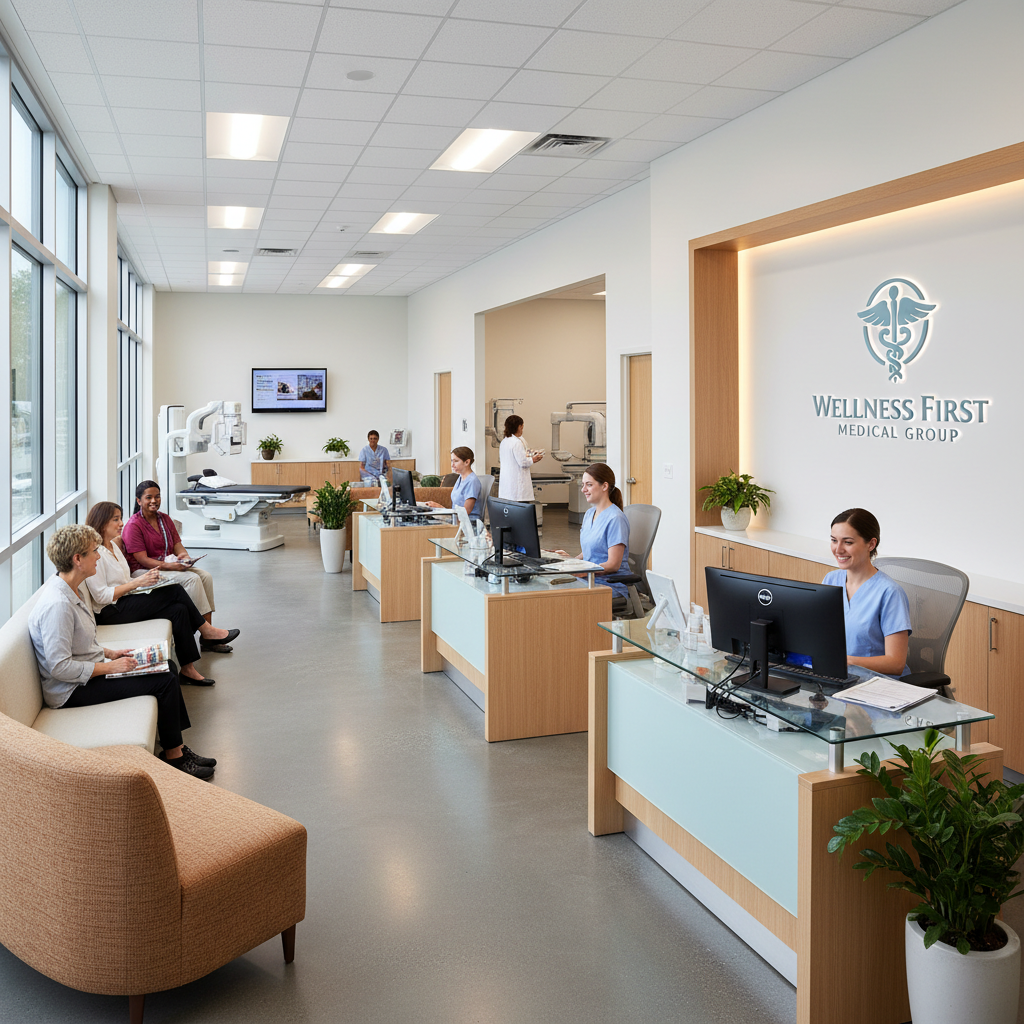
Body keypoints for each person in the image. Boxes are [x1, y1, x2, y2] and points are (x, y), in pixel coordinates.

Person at [28, 525, 217, 779]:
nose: (98, 556)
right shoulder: (58, 606)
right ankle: (175, 757)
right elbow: (59, 667)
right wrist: (109, 667)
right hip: (71, 691)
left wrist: (111, 653)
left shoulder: (70, 589)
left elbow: (79, 644)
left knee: (168, 667)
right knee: (164, 681)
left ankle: (177, 747)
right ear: (77, 559)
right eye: (94, 551)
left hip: (91, 671)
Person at [84, 501, 240, 685]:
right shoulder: (95, 553)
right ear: (102, 523)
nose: (121, 523)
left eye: (120, 519)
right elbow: (102, 596)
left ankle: (188, 670)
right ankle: (206, 630)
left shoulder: (113, 547)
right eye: (116, 520)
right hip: (110, 611)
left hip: (124, 600)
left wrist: (143, 584)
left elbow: (124, 581)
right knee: (174, 590)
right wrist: (137, 583)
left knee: (179, 610)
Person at [121, 481, 238, 654]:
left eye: (157, 496)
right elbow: (142, 559)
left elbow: (177, 545)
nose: (154, 500)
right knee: (192, 579)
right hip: (144, 570)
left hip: (169, 564)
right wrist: (170, 566)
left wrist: (184, 557)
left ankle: (208, 637)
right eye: (149, 497)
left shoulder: (165, 519)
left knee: (205, 576)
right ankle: (202, 632)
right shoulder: (134, 525)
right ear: (139, 501)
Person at [823, 508, 911, 678]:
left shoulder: (890, 593)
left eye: (848, 542)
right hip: (838, 677)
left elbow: (896, 663)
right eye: (834, 540)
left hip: (875, 685)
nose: (838, 549)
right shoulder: (831, 580)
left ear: (871, 544)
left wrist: (846, 661)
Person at [553, 463, 631, 599]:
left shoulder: (616, 519)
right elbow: (591, 551)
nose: (583, 489)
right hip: (588, 580)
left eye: (589, 485)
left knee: (559, 600)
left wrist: (582, 571)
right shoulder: (589, 514)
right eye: (583, 485)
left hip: (609, 585)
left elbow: (613, 565)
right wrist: (571, 560)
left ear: (604, 486)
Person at [424, 447, 482, 521]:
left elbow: (465, 513)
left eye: (456, 461)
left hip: (468, 524)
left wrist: (441, 508)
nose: (452, 465)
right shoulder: (460, 477)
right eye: (452, 461)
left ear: (467, 462)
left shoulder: (472, 481)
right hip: (456, 519)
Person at [497, 414, 542, 501]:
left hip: (507, 486)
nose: (522, 429)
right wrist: (533, 459)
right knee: (520, 511)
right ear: (518, 427)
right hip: (517, 489)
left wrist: (532, 452)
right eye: (522, 427)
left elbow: (520, 454)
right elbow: (523, 462)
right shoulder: (516, 442)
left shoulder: (505, 441)